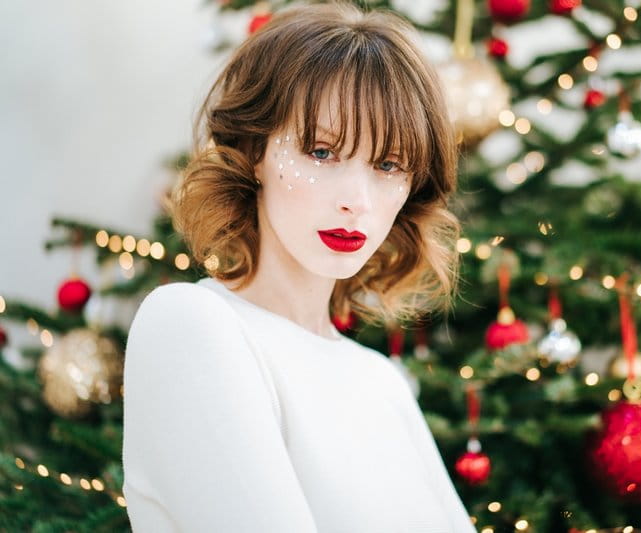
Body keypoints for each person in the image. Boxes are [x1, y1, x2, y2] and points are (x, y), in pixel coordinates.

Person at [121, 2, 476, 532]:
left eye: (387, 165)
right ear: (254, 150)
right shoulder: (191, 324)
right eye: (322, 151)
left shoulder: (381, 381)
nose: (355, 199)